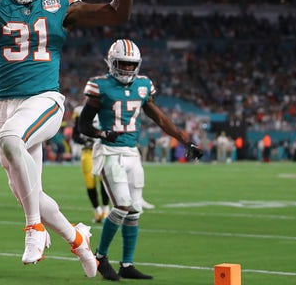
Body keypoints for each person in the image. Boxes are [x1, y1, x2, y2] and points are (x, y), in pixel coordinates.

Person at [0, 0, 133, 278]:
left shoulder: (59, 2)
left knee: (10, 141)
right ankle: (78, 240)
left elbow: (115, 14)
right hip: (6, 106)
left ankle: (33, 228)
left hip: (44, 100)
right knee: (28, 191)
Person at [77, 39, 203, 281]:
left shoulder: (143, 85)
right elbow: (83, 124)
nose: (126, 69)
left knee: (134, 211)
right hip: (109, 152)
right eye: (122, 64)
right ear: (112, 63)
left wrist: (186, 141)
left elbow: (160, 119)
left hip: (132, 153)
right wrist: (102, 133)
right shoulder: (99, 86)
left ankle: (127, 264)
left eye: (130, 65)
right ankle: (101, 257)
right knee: (122, 205)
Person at [71, 108, 110, 223]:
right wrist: (84, 142)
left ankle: (106, 210)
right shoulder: (79, 110)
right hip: (87, 152)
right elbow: (75, 135)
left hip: (102, 151)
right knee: (90, 183)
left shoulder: (105, 108)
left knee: (104, 181)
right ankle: (97, 211)